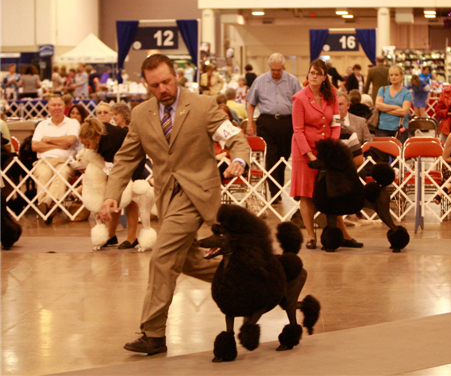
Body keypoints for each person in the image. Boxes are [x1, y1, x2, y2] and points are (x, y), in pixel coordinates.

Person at [98, 54, 250, 355]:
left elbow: (235, 138)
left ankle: (153, 334)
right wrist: (111, 193)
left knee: (162, 258)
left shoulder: (203, 105)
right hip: (167, 197)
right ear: (146, 84)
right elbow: (126, 158)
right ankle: (250, 282)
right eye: (155, 85)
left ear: (176, 76)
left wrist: (238, 159)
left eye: (167, 81)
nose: (163, 88)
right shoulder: (141, 115)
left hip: (199, 194)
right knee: (188, 261)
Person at [290, 59, 356, 250]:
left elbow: (335, 124)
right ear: (308, 75)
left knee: (331, 192)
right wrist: (309, 155)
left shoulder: (332, 96)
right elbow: (298, 130)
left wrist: (331, 147)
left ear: (325, 76)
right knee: (306, 194)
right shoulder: (299, 98)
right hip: (304, 151)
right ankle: (311, 236)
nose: (314, 76)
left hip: (326, 150)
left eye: (318, 73)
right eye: (312, 73)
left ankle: (339, 234)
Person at [79, 118, 146, 249]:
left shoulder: (109, 144)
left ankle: (132, 238)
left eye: (87, 144)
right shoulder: (97, 132)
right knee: (115, 197)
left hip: (134, 158)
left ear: (96, 139)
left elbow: (116, 173)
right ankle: (110, 235)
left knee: (129, 198)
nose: (86, 148)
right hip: (119, 160)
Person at [246, 53, 302, 203]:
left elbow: (300, 103)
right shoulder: (260, 81)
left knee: (283, 158)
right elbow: (250, 103)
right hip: (267, 123)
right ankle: (275, 193)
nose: (276, 72)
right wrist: (250, 123)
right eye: (273, 70)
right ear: (269, 67)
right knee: (271, 157)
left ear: (283, 67)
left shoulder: (293, 81)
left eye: (279, 69)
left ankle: (278, 188)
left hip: (287, 123)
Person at [31, 95, 80, 224]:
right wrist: (61, 144)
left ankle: (45, 204)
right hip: (44, 161)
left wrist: (48, 139)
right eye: (53, 105)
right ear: (48, 107)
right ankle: (50, 208)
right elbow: (35, 146)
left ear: (64, 107)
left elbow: (70, 140)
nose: (56, 108)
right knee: (43, 174)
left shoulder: (72, 123)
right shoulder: (42, 125)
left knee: (62, 174)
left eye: (59, 105)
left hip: (65, 161)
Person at [375, 65, 412, 143]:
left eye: (396, 75)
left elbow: (404, 112)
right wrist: (395, 107)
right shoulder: (383, 89)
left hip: (400, 129)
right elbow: (378, 105)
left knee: (398, 153)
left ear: (401, 76)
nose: (393, 77)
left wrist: (384, 109)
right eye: (391, 75)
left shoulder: (407, 93)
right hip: (383, 128)